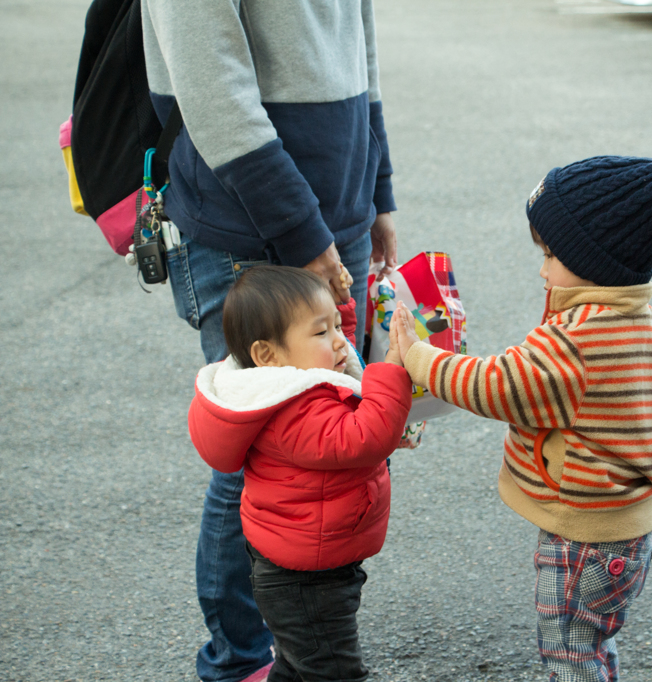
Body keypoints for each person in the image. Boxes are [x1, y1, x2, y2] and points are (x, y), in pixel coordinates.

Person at [140, 1, 398, 679]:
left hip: (336, 220)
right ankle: (240, 663)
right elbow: (214, 90)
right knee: (261, 457)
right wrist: (304, 233)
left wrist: (379, 194)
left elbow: (359, 57)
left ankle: (306, 649)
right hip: (249, 231)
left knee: (335, 439)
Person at [391, 156, 652, 682]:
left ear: (593, 259)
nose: (542, 269)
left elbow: (498, 385)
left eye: (551, 255)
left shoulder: (576, 340)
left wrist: (418, 356)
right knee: (591, 644)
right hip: (628, 533)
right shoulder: (651, 327)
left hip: (583, 540)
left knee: (569, 655)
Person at [188, 266, 412, 682]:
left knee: (296, 666)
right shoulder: (296, 408)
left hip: (300, 562)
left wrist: (338, 310)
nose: (340, 340)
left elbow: (324, 347)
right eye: (321, 332)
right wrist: (391, 373)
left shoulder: (285, 382)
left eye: (335, 326)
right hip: (306, 578)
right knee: (333, 671)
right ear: (267, 355)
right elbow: (366, 437)